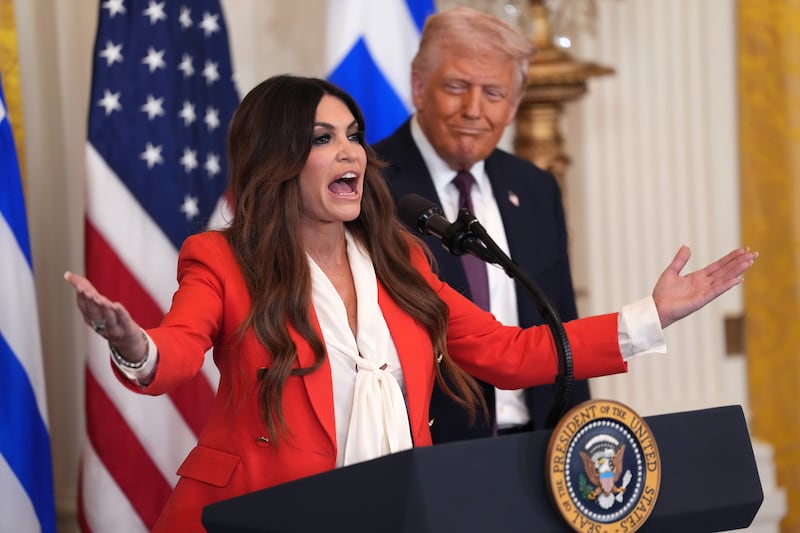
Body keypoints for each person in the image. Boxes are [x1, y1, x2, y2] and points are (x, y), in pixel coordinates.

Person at [65, 74, 756, 533]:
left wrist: (651, 314)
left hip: (397, 513)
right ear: (277, 157)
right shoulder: (220, 258)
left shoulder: (405, 262)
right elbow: (178, 349)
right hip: (261, 514)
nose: (352, 152)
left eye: (355, 134)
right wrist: (134, 343)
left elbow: (512, 353)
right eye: (323, 138)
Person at [374, 6, 587, 441]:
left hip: (536, 442)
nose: (474, 109)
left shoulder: (535, 188)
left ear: (513, 107)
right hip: (426, 448)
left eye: (493, 93)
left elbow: (561, 322)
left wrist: (577, 441)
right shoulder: (369, 187)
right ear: (418, 87)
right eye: (456, 87)